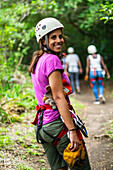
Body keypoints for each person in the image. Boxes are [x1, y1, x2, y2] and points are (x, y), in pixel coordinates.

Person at [29, 17, 91, 170]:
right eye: (53, 37)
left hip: (42, 126)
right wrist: (72, 130)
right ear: (43, 41)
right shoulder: (52, 60)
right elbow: (58, 97)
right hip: (57, 125)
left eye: (60, 36)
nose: (59, 40)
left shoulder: (37, 61)